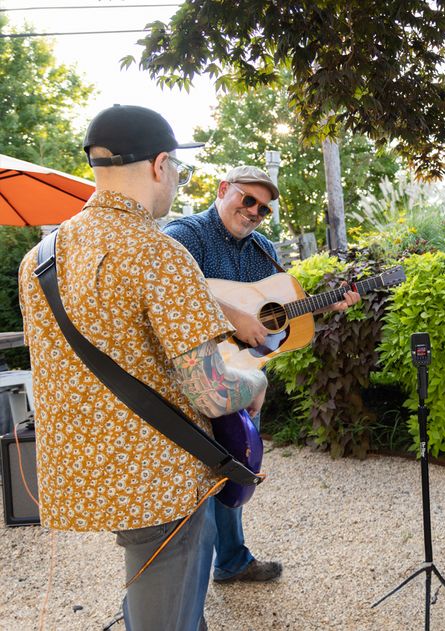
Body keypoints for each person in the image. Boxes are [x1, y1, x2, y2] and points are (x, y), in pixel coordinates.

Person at [18, 104, 269, 631]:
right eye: (177, 167)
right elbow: (215, 392)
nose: (177, 179)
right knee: (167, 616)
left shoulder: (41, 255)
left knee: (161, 605)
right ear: (159, 165)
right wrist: (257, 380)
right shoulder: (158, 253)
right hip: (162, 478)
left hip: (89, 472)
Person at [163, 165, 360, 583]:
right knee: (198, 475)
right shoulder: (185, 236)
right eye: (247, 199)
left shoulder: (261, 248)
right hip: (192, 379)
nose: (254, 211)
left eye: (263, 208)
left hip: (240, 372)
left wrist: (327, 304)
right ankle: (182, 584)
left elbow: (273, 311)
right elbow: (166, 288)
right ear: (222, 190)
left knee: (236, 463)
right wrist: (233, 315)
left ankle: (232, 560)